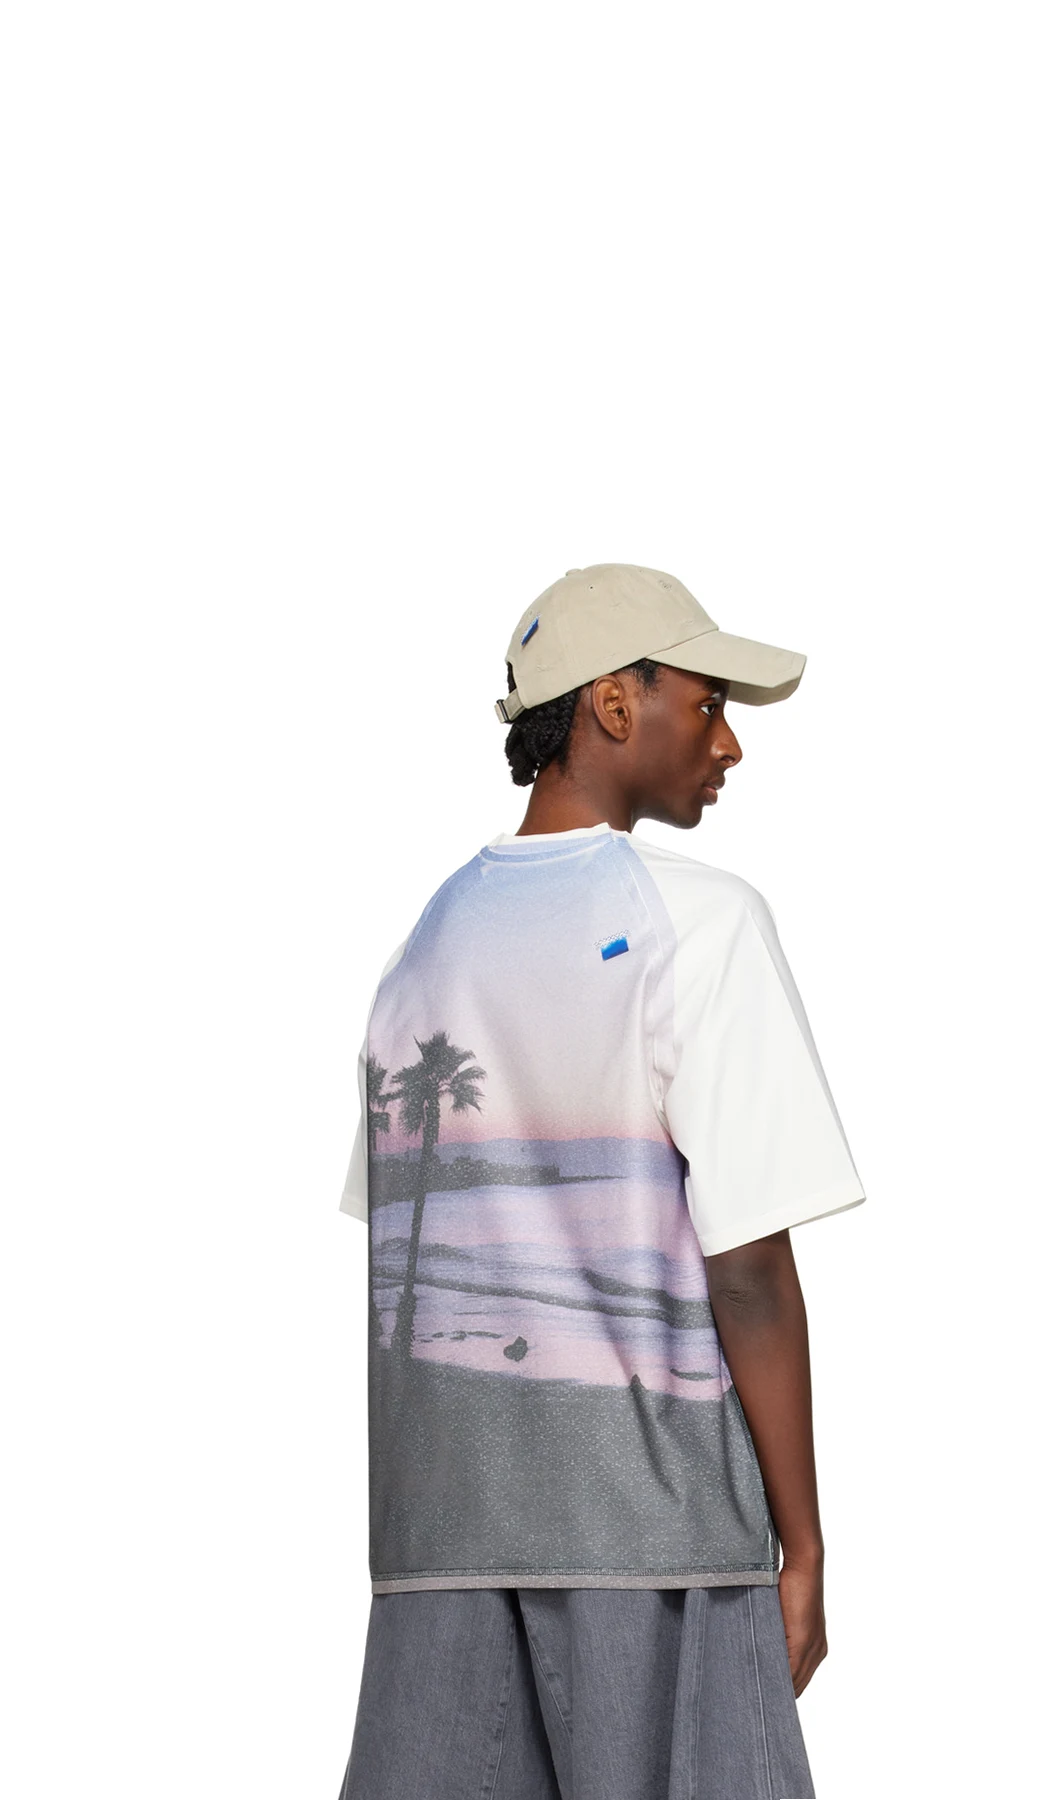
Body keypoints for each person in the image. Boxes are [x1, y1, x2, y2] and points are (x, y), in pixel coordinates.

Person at [335, 563, 867, 1800]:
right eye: (707, 702)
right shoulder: (701, 924)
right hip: (658, 1537)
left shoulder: (420, 951)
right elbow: (748, 1269)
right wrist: (801, 1542)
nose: (728, 741)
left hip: (436, 1550)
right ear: (615, 704)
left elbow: (407, 1244)